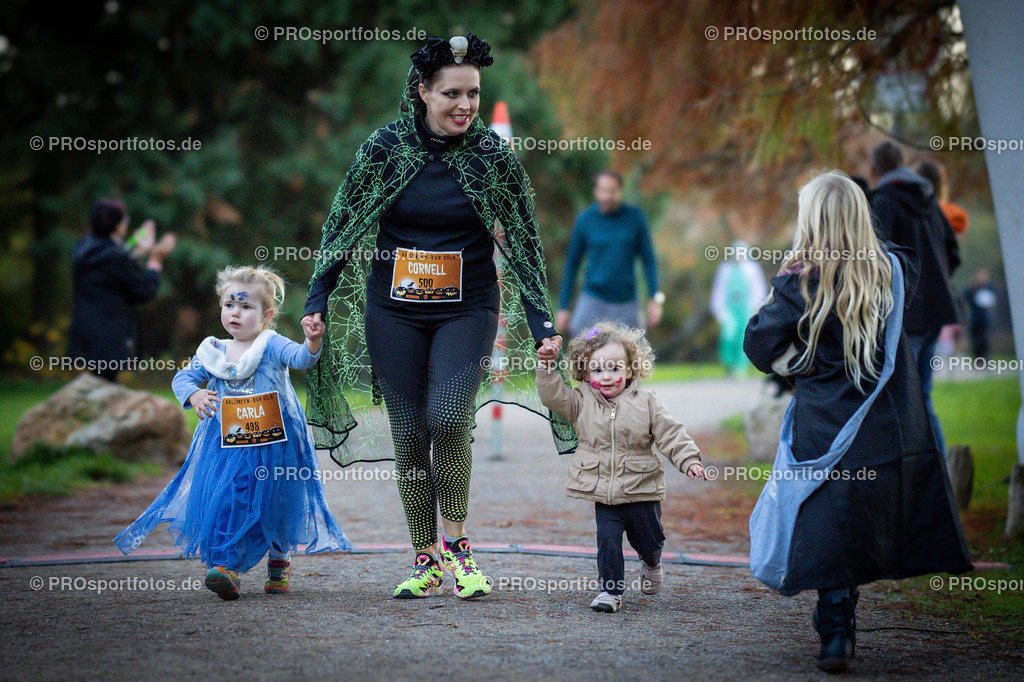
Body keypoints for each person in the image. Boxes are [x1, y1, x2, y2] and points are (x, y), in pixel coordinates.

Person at [301, 33, 576, 600]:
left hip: (468, 308)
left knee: (449, 416)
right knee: (409, 434)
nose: (465, 106)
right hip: (393, 311)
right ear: (422, 91)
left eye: (473, 94)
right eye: (452, 93)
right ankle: (423, 558)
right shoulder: (385, 148)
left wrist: (544, 326)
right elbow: (343, 225)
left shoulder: (493, 158)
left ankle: (458, 546)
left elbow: (524, 245)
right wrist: (317, 300)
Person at [744, 172, 972, 673]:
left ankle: (836, 629)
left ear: (811, 221)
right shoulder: (895, 269)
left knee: (829, 527)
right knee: (857, 521)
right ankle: (842, 621)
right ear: (859, 215)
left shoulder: (799, 281)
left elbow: (758, 346)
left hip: (825, 426)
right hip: (882, 426)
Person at [114, 266, 349, 600]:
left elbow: (301, 359)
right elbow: (183, 379)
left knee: (274, 502)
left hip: (275, 444)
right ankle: (227, 568)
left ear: (267, 314)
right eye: (229, 305)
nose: (235, 313)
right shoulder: (214, 351)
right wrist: (194, 395)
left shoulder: (271, 344)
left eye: (246, 306)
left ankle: (279, 558)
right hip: (229, 446)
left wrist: (312, 340)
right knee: (231, 499)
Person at [535, 321, 705, 613]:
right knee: (608, 540)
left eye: (615, 368)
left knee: (649, 540)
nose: (607, 376)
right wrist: (547, 368)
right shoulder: (581, 401)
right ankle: (609, 591)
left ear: (630, 370)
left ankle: (652, 561)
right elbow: (552, 397)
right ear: (586, 373)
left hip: (642, 488)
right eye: (598, 370)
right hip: (603, 490)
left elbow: (670, 433)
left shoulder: (647, 402)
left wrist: (688, 460)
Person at [869, 141, 963, 457]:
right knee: (922, 398)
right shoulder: (931, 203)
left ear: (875, 169)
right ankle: (938, 475)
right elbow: (952, 253)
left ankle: (917, 477)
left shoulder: (883, 202)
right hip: (936, 311)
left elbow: (875, 259)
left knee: (900, 401)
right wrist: (937, 284)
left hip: (905, 314)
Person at [68, 199, 175, 382]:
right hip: (110, 334)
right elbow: (143, 291)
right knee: (106, 387)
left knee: (99, 383)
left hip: (85, 331)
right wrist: (156, 259)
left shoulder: (84, 248)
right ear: (117, 226)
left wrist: (138, 249)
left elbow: (113, 273)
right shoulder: (115, 257)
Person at [555, 171, 665, 337]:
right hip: (593, 297)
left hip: (626, 301)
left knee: (634, 352)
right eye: (603, 190)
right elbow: (572, 264)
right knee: (579, 341)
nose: (607, 196)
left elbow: (649, 261)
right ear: (596, 191)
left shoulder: (635, 218)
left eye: (612, 191)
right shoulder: (585, 220)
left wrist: (655, 299)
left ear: (620, 191)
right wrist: (563, 307)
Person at [709, 241, 768, 375]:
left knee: (743, 337)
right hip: (729, 307)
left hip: (746, 307)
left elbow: (759, 288)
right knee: (728, 335)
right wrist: (718, 310)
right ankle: (728, 363)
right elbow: (719, 289)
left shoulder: (752, 268)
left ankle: (740, 368)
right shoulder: (725, 268)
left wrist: (757, 307)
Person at [965, 268, 998, 360]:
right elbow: (966, 298)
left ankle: (985, 358)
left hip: (986, 318)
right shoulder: (972, 288)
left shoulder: (990, 287)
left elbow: (994, 299)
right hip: (975, 318)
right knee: (975, 339)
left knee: (984, 339)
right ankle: (977, 358)